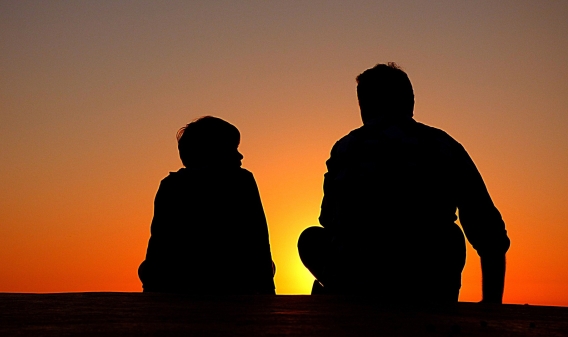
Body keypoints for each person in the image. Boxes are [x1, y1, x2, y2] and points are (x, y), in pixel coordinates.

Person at [298, 63, 510, 303]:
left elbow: (328, 219)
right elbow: (488, 231)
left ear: (364, 106)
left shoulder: (346, 148)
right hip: (427, 282)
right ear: (410, 101)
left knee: (311, 239)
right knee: (451, 235)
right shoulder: (443, 146)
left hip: (357, 281)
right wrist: (492, 306)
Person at [139, 116, 276, 294]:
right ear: (214, 151)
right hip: (232, 280)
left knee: (145, 268)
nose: (240, 155)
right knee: (270, 266)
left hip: (180, 280)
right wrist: (267, 293)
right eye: (232, 149)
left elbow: (158, 243)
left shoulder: (171, 185)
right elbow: (259, 241)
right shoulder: (241, 181)